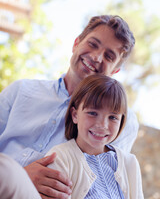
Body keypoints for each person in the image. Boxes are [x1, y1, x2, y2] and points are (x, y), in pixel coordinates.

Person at [0, 15, 139, 199]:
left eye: (109, 56)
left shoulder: (120, 121)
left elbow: (105, 187)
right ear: (76, 43)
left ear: (114, 71)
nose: (97, 57)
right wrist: (21, 175)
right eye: (93, 44)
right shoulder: (20, 90)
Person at [46, 74, 144, 199]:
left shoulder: (130, 163)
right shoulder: (60, 157)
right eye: (92, 113)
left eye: (113, 117)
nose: (102, 125)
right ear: (75, 115)